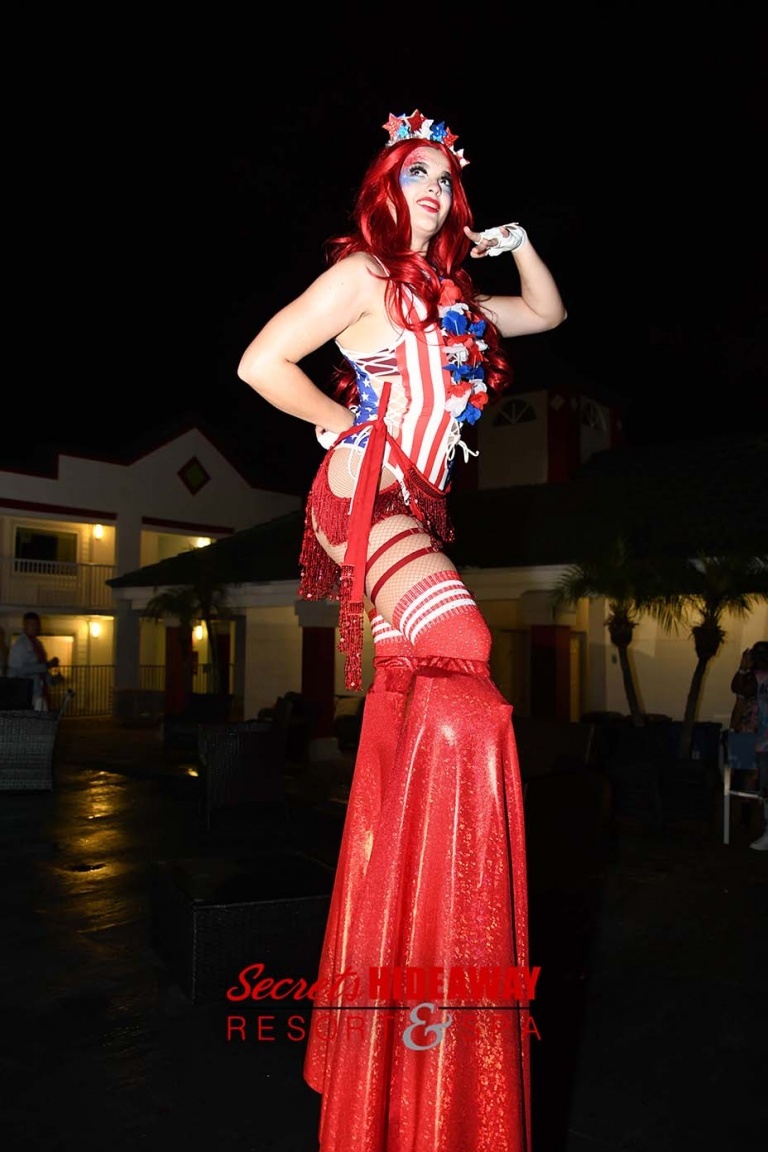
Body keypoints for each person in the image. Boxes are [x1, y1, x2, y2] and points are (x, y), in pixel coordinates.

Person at [237, 109, 567, 1152]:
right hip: (365, 490)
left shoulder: (458, 296)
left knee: (418, 690)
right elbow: (260, 363)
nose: (431, 187)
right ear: (386, 187)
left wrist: (516, 242)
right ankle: (437, 887)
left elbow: (547, 313)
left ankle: (402, 907)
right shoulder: (363, 278)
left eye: (444, 178)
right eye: (414, 171)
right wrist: (341, 421)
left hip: (418, 506)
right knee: (461, 647)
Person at [730, 641, 768, 851]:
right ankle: (746, 818)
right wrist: (743, 668)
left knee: (759, 778)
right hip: (748, 732)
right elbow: (739, 695)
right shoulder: (751, 678)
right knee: (747, 775)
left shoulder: (760, 679)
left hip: (763, 736)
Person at [7, 611, 60, 711]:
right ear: (24, 626)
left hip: (39, 692)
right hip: (27, 694)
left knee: (42, 719)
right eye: (31, 624)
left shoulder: (37, 644)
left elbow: (40, 669)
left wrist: (52, 680)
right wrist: (47, 665)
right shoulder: (20, 645)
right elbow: (18, 670)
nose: (34, 627)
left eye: (36, 624)